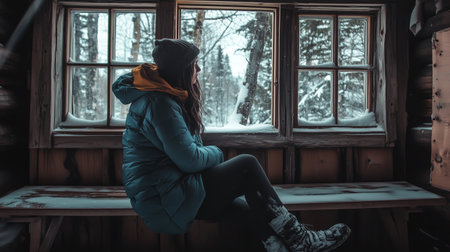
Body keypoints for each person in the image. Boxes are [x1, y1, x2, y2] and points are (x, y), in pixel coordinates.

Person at [112, 38, 351, 252]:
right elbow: (189, 160)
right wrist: (217, 153)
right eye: (194, 64)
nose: (199, 68)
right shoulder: (160, 104)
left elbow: (183, 157)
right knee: (246, 165)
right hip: (164, 198)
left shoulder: (162, 97)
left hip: (164, 193)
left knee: (246, 209)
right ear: (181, 70)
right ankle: (300, 241)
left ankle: (282, 248)